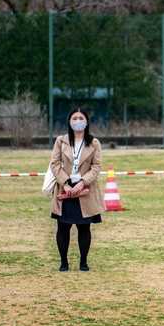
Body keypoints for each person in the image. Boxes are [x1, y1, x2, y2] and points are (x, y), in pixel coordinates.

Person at [49, 108, 104, 272]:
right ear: (69, 121)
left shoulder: (94, 143)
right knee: (63, 227)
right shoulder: (61, 141)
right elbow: (55, 164)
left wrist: (82, 182)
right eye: (74, 118)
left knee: (84, 227)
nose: (78, 120)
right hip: (64, 189)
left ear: (86, 121)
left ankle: (83, 262)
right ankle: (63, 262)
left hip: (85, 189)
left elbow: (96, 166)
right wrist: (65, 183)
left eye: (81, 118)